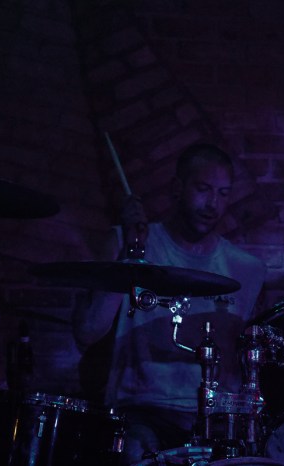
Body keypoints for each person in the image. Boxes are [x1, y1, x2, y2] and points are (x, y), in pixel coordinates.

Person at [73, 143, 267, 464]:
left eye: (223, 193)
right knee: (133, 450)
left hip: (216, 419)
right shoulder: (128, 243)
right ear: (177, 188)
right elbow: (87, 331)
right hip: (141, 410)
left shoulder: (248, 270)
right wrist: (131, 253)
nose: (213, 204)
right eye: (203, 189)